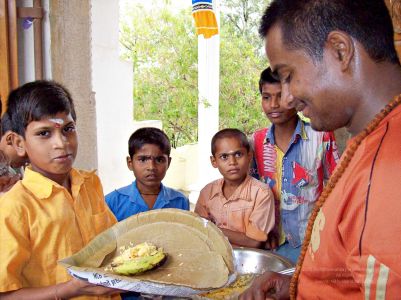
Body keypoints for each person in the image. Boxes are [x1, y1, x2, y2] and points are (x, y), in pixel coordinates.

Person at [241, 0, 401, 299]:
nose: (287, 100)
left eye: (288, 76)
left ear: (340, 50)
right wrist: (301, 287)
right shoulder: (369, 140)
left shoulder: (390, 169)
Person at [0, 80, 120, 299]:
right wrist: (68, 290)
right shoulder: (14, 207)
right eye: (44, 133)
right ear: (19, 143)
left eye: (68, 129)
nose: (61, 142)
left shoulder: (90, 184)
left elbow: (116, 244)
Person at [251, 67, 339, 263]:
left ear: (295, 97)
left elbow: (337, 189)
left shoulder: (321, 137)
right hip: (267, 244)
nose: (273, 105)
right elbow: (250, 191)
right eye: (266, 97)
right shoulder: (256, 142)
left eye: (280, 96)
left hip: (309, 244)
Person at [195, 128, 275, 248]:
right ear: (214, 161)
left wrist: (211, 228)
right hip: (214, 256)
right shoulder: (207, 192)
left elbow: (254, 241)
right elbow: (198, 231)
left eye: (238, 154)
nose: (232, 162)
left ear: (249, 156)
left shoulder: (261, 193)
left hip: (249, 259)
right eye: (224, 157)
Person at [105, 127, 189, 222]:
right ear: (130, 163)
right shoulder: (112, 202)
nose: (151, 167)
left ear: (168, 163)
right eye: (143, 159)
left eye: (159, 160)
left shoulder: (180, 201)